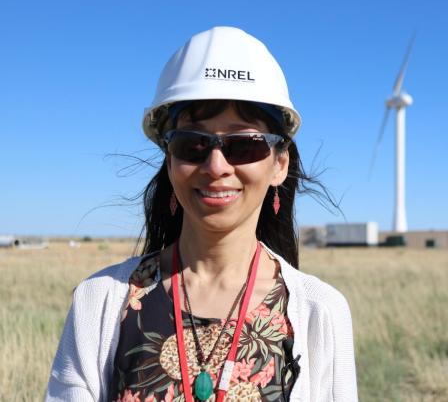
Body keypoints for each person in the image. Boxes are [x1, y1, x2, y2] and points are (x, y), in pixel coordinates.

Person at [46, 26, 358, 401]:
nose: (216, 166)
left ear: (279, 165)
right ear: (170, 161)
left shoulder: (319, 313)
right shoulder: (99, 303)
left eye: (244, 146)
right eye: (192, 144)